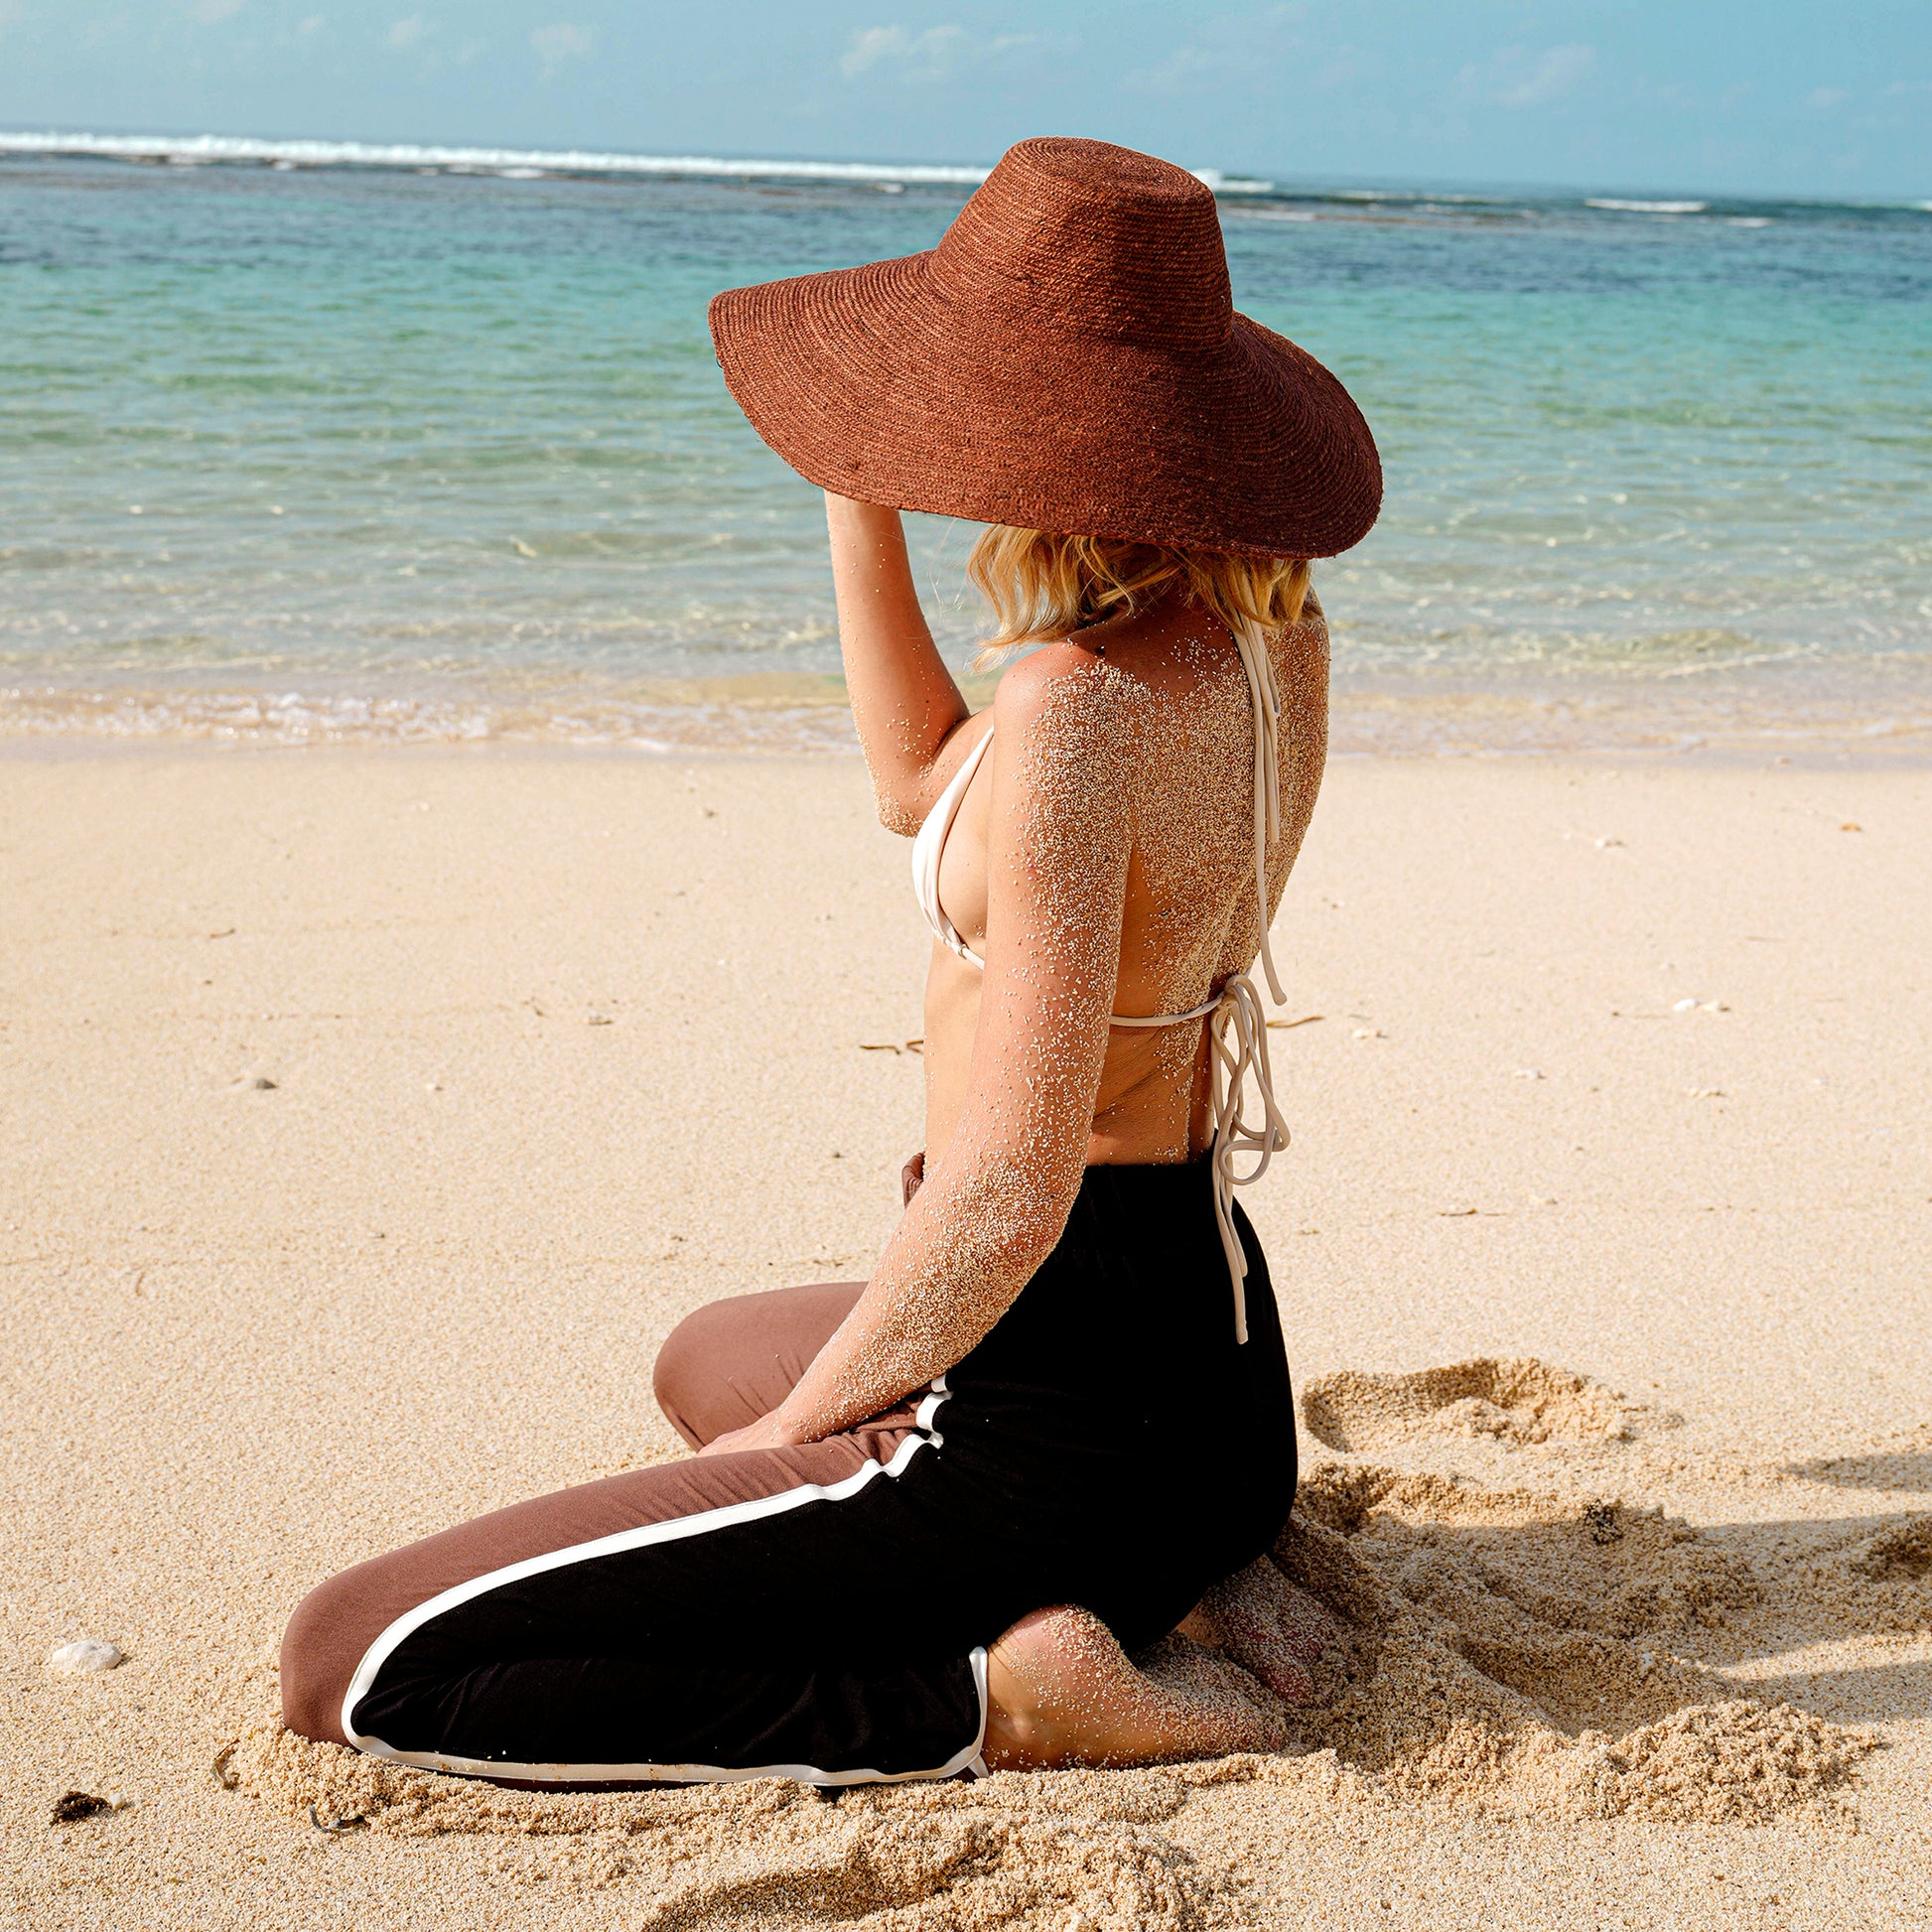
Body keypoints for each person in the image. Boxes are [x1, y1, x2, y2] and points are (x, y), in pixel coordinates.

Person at [279, 136, 1381, 1788]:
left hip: (1053, 1390)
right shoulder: (1270, 645)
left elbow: (1007, 1188)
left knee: (357, 1659)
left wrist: (789, 1444)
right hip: (1208, 1379)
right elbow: (914, 786)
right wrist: (853, 488)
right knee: (705, 1351)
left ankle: (998, 1703)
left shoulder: (1074, 704)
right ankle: (1184, 1571)